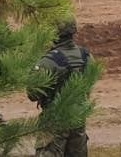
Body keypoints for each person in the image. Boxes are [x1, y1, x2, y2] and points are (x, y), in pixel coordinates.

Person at [27, 17, 91, 156]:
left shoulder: (48, 62)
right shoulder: (86, 56)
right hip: (78, 118)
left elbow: (32, 94)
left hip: (54, 121)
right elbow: (88, 87)